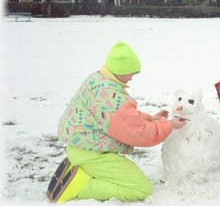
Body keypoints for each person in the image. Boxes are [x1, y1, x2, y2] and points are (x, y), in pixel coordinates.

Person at [47, 41, 186, 204]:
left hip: (78, 147)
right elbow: (140, 133)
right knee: (140, 188)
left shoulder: (97, 79)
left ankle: (83, 172)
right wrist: (170, 124)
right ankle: (82, 184)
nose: (132, 78)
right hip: (94, 154)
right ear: (121, 71)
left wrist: (149, 118)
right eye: (131, 73)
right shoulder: (114, 97)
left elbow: (118, 117)